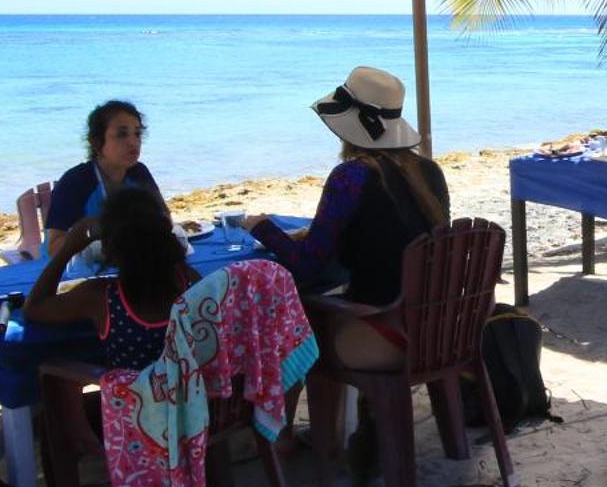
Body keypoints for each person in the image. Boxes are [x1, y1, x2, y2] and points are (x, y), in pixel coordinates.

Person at [246, 65, 450, 372]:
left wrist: (262, 228)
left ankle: (325, 421)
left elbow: (306, 266)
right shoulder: (429, 171)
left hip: (383, 326)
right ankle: (365, 415)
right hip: (437, 326)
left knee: (302, 334)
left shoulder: (351, 177)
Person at [24, 186, 199, 370]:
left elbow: (34, 308)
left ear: (108, 248)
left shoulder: (101, 297)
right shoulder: (187, 280)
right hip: (193, 394)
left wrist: (67, 249)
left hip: (131, 397)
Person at [43, 100, 162, 260]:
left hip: (129, 264)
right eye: (122, 134)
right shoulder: (75, 182)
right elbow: (54, 248)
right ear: (96, 142)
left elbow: (164, 220)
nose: (133, 142)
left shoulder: (139, 173)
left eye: (137, 133)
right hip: (72, 272)